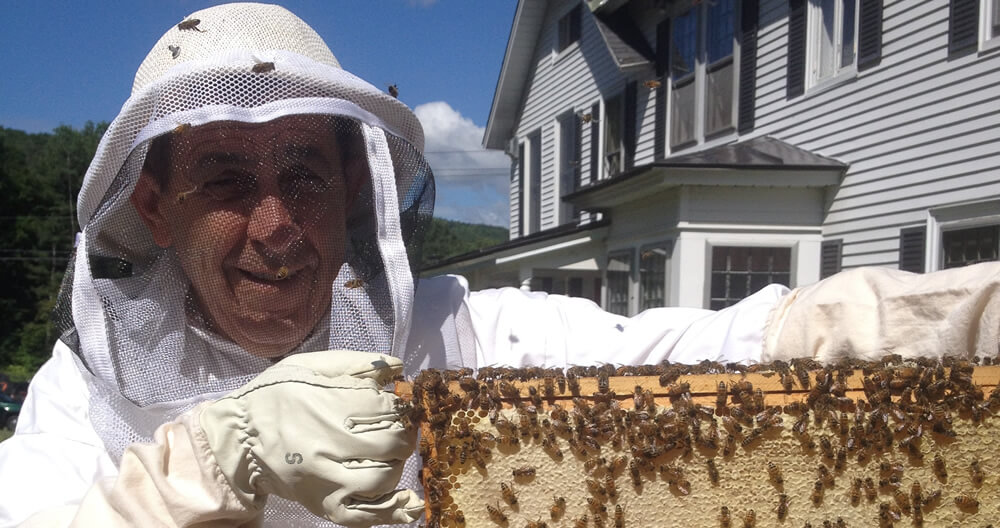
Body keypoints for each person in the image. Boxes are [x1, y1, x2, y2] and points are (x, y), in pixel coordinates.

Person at [1, 3, 998, 527]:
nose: (275, 223)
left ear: (354, 187)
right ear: (153, 203)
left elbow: (704, 349)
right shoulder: (86, 399)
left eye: (304, 172)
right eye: (225, 178)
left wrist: (920, 318)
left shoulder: (456, 334)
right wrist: (216, 461)